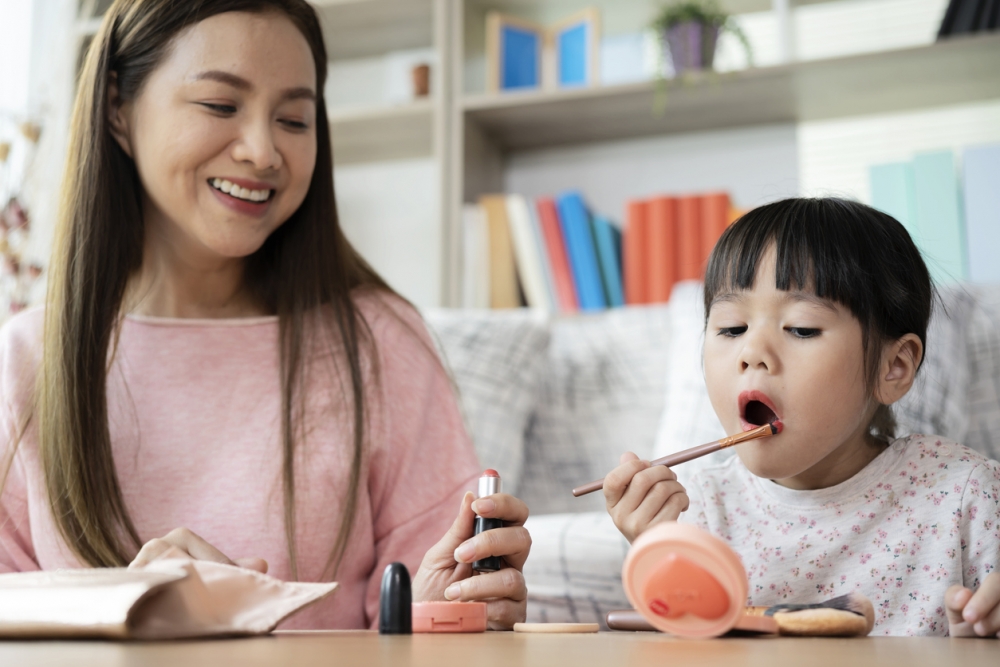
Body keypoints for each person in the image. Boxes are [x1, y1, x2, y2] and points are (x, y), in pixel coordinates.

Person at [0, 0, 530, 630]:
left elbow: (428, 622)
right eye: (220, 105)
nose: (263, 151)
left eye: (293, 119)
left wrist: (450, 612)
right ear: (117, 107)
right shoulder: (27, 360)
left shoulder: (381, 342)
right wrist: (131, 612)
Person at [602, 198, 1000, 637]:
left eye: (801, 329)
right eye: (732, 328)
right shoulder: (695, 512)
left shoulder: (964, 494)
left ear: (893, 367)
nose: (752, 352)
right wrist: (657, 553)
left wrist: (980, 635)